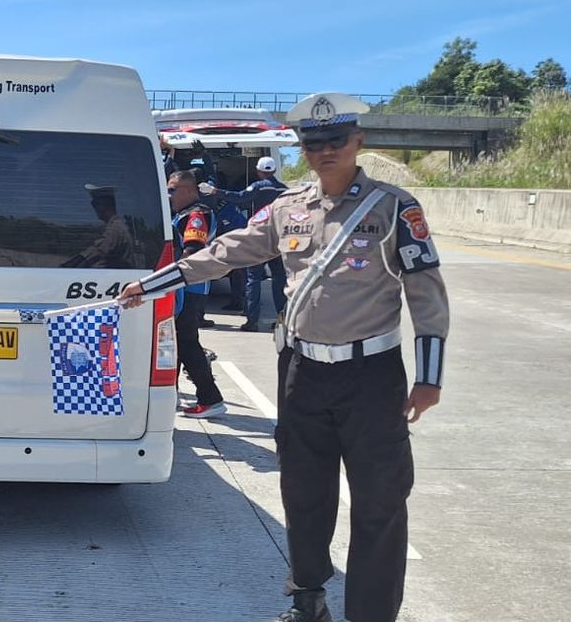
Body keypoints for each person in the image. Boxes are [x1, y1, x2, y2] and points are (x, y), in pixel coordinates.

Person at [120, 93, 449, 622]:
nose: (324, 152)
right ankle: (308, 599)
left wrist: (429, 377)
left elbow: (427, 294)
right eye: (313, 143)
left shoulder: (394, 208)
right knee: (304, 490)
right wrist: (154, 283)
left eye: (335, 141)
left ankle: (371, 614)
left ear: (357, 142)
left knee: (380, 501)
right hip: (302, 372)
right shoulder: (289, 208)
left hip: (371, 376)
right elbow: (225, 252)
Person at [200, 156, 290, 331]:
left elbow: (240, 197)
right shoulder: (283, 189)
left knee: (253, 278)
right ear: (273, 171)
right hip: (279, 238)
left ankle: (252, 321)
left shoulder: (258, 186)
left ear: (258, 171)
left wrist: (215, 191)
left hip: (260, 237)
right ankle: (282, 321)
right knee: (279, 280)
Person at [166, 170, 226, 418]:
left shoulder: (196, 216)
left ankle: (210, 398)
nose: (168, 194)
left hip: (189, 289)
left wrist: (164, 279)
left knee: (187, 343)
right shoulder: (182, 214)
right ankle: (175, 394)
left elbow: (191, 251)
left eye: (172, 190)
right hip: (183, 288)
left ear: (189, 191)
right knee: (177, 343)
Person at [62, 184, 136, 268]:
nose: (94, 208)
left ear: (105, 205)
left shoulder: (115, 228)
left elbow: (96, 252)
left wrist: (68, 266)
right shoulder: (114, 226)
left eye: (95, 204)